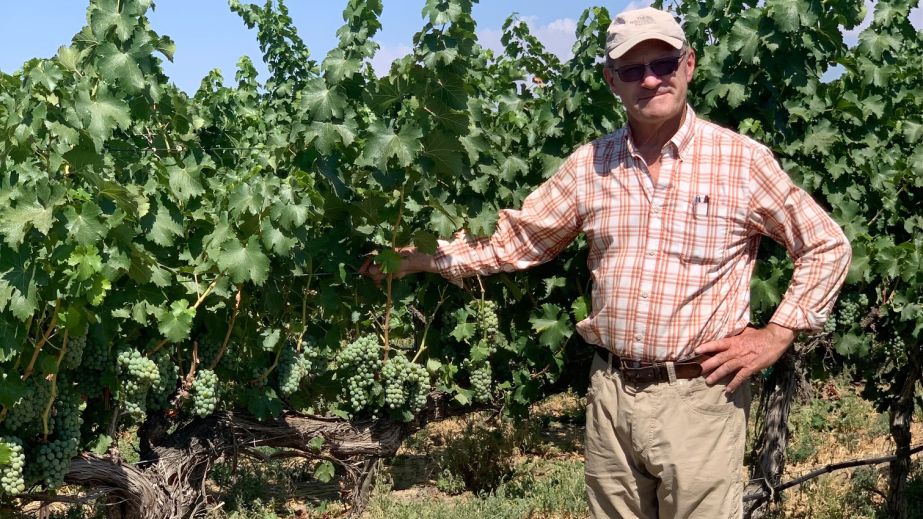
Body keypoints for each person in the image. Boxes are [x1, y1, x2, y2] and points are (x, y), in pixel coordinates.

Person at [361, 6, 850, 518]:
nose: (651, 79)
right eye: (633, 70)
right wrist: (420, 258)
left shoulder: (741, 162)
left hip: (699, 400)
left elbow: (826, 244)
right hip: (611, 395)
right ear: (610, 80)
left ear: (689, 65)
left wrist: (777, 332)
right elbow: (520, 237)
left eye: (663, 63)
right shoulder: (588, 166)